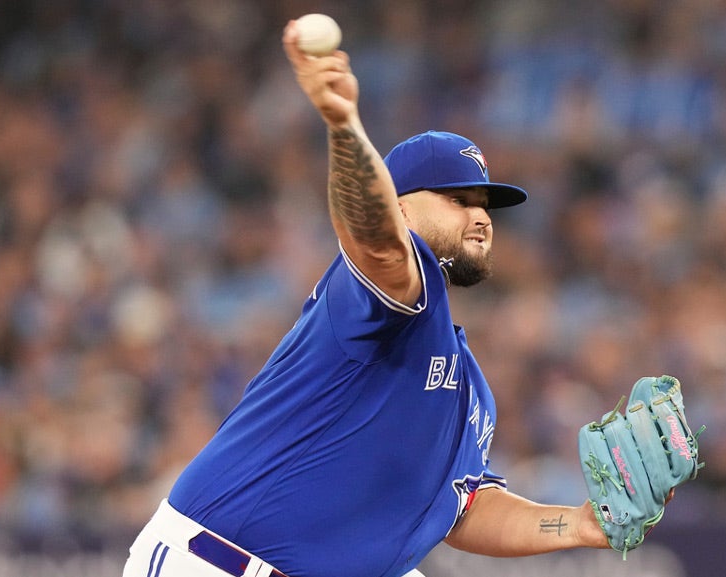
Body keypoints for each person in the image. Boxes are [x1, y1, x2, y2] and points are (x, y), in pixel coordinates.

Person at [122, 18, 609, 577]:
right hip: (217, 565)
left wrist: (577, 524)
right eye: (455, 198)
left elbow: (462, 508)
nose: (480, 215)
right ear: (400, 207)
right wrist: (343, 124)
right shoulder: (390, 294)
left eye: (484, 203)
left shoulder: (469, 388)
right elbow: (376, 242)